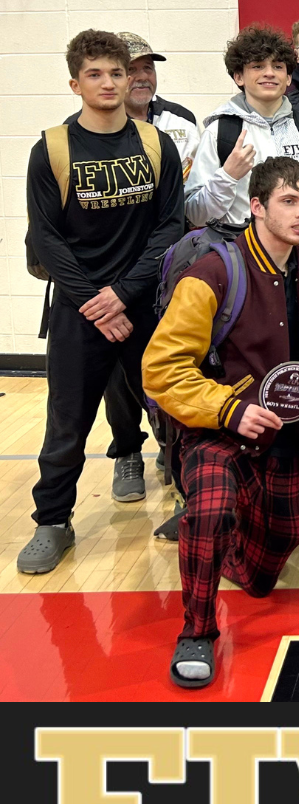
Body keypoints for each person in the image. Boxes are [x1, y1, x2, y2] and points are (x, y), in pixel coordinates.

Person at [142, 156, 299, 687]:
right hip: (216, 427)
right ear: (256, 207)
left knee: (274, 556)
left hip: (280, 429)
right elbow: (161, 369)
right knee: (209, 511)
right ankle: (197, 630)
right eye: (288, 202)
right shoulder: (212, 272)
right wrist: (229, 408)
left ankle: (232, 539)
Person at [18, 30, 184, 576]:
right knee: (66, 423)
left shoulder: (158, 144)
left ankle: (192, 503)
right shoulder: (52, 149)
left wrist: (122, 293)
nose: (110, 82)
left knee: (172, 413)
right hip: (78, 307)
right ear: (75, 83)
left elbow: (168, 229)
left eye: (117, 72)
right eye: (96, 74)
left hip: (142, 302)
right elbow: (47, 239)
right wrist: (94, 300)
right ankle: (53, 521)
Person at [64, 31, 199, 505]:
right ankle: (126, 451)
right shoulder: (67, 141)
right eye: (130, 68)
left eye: (144, 68)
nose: (138, 77)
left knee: (165, 370)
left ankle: (174, 452)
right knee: (117, 384)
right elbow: (52, 234)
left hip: (158, 277)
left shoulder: (178, 125)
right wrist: (104, 297)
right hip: (97, 289)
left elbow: (180, 211)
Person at [185, 24, 299, 273]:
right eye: (258, 66)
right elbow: (196, 214)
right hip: (238, 272)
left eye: (278, 67)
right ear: (239, 76)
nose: (269, 73)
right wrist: (227, 177)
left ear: (289, 77)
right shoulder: (220, 132)